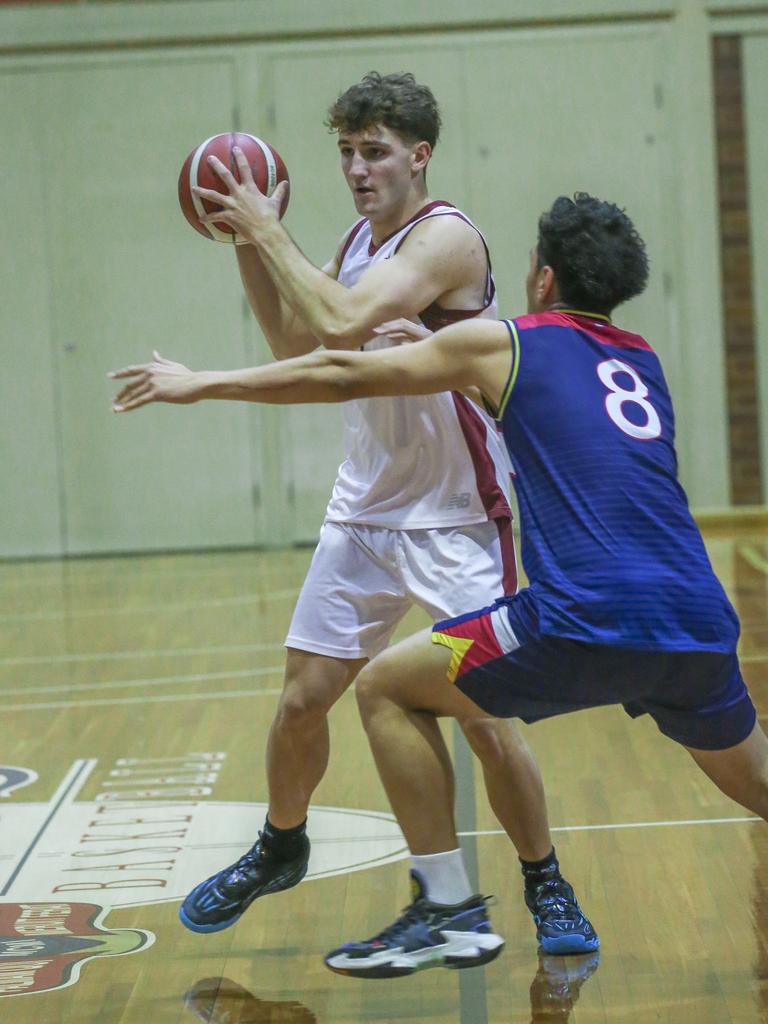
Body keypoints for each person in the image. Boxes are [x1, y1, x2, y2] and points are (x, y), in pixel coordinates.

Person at [111, 190, 767, 978]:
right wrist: (439, 349)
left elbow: (340, 372)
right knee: (758, 782)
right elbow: (546, 407)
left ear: (543, 277)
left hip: (581, 617)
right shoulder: (640, 360)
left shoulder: (503, 342)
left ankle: (448, 908)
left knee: (388, 688)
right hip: (695, 620)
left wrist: (202, 382)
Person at [128, 72, 596, 954]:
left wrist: (271, 230)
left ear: (418, 155)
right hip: (366, 513)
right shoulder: (349, 244)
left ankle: (546, 884)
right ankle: (280, 843)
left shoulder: (446, 239)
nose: (355, 167)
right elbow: (300, 347)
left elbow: (341, 321)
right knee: (303, 700)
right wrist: (245, 243)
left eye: (373, 150)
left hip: (458, 517)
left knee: (488, 722)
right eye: (344, 151)